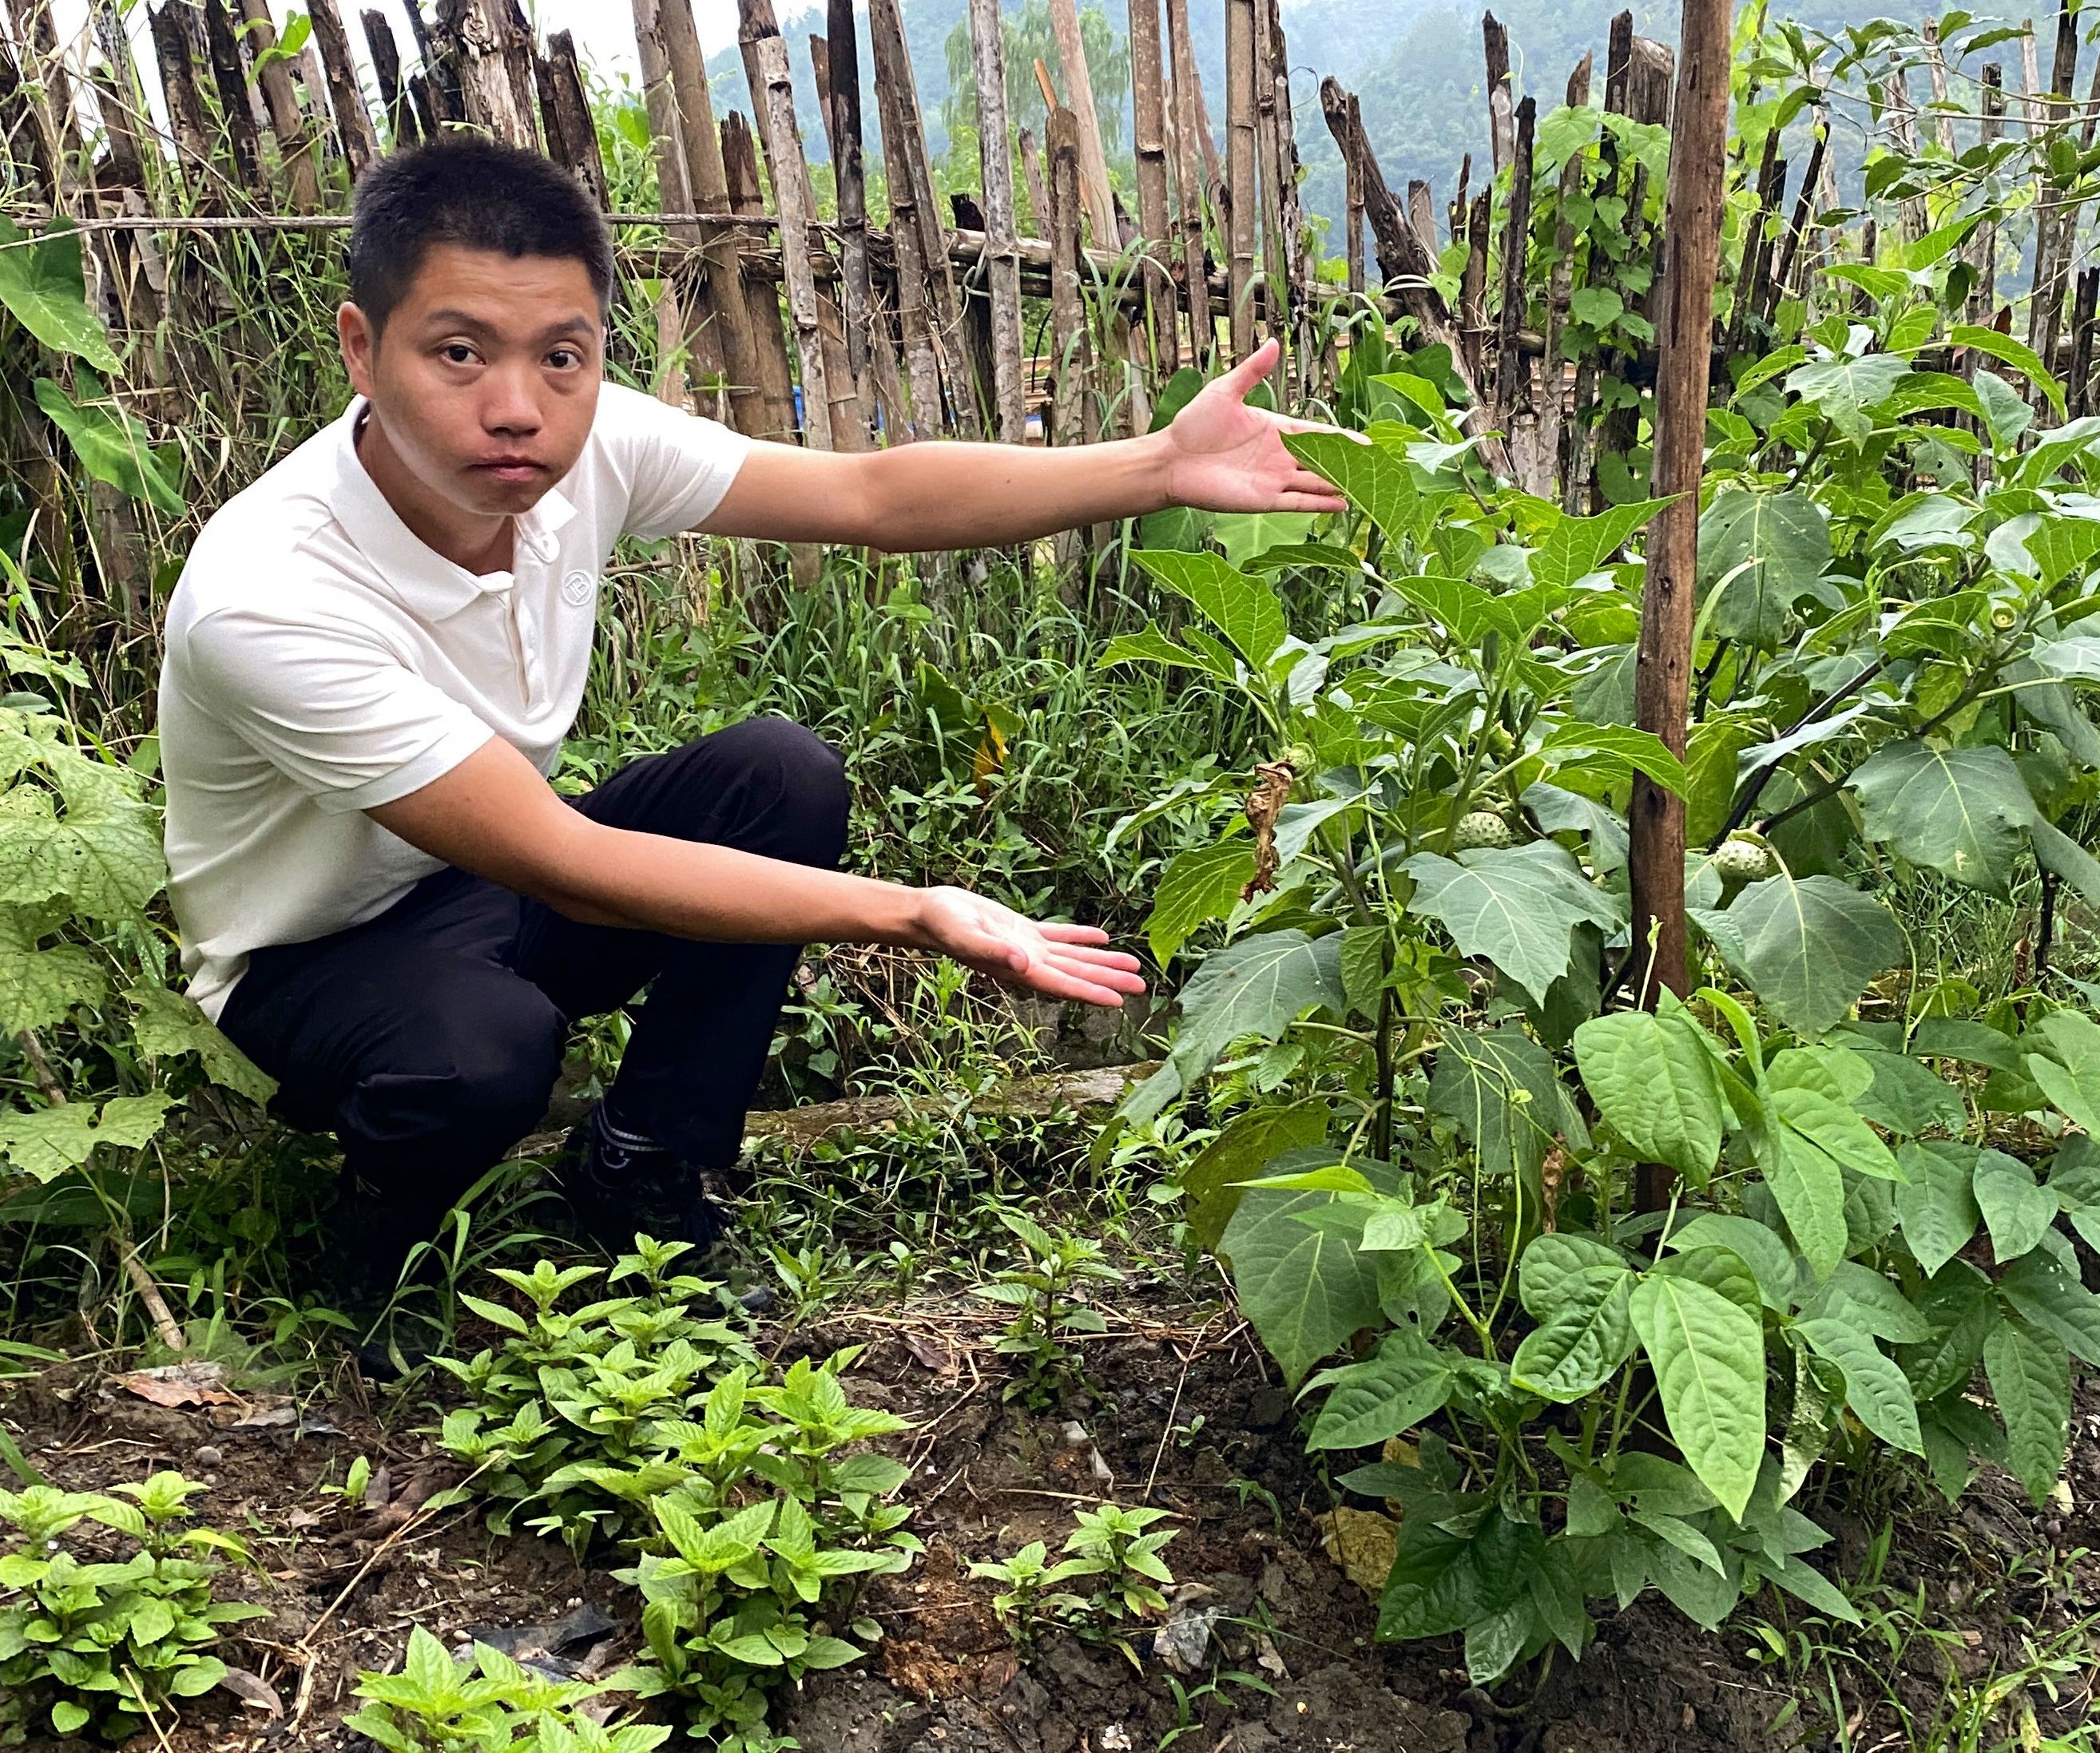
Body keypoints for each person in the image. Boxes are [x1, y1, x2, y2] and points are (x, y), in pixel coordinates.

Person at [157, 136, 1341, 1339]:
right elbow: (562, 859)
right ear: (364, 348)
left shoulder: (588, 441)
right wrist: (914, 910)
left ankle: (641, 1164)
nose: (516, 407)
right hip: (310, 959)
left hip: (484, 879)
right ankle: (374, 1262)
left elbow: (868, 497)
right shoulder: (270, 592)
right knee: (485, 1051)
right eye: (458, 353)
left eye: (559, 356)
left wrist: (1157, 464)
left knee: (777, 776)